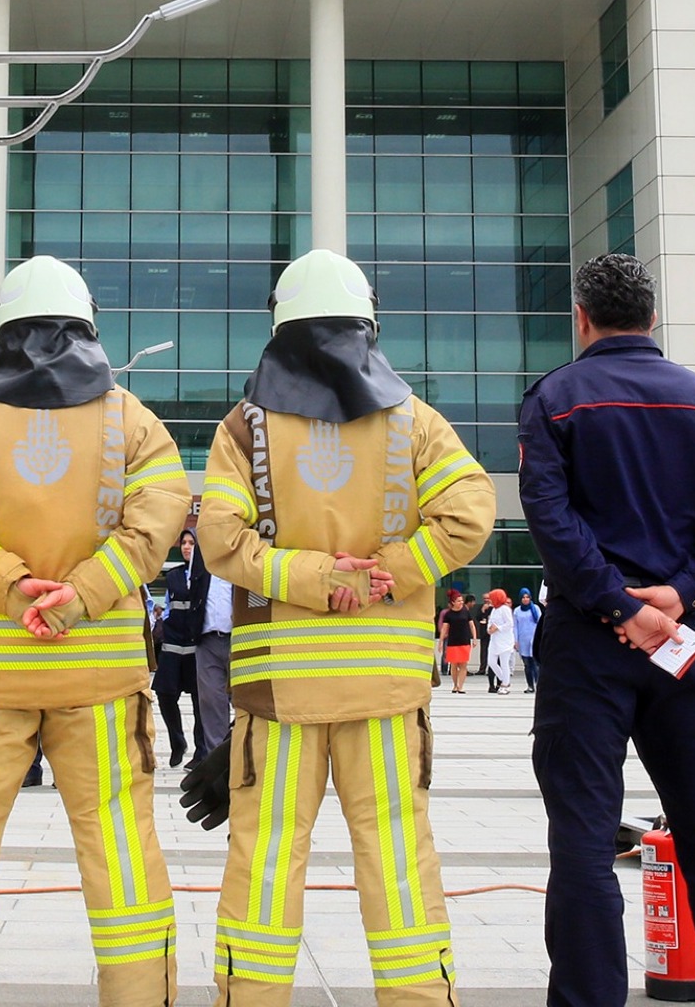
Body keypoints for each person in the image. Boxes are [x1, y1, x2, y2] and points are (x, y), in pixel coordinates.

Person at [197, 248, 495, 1007]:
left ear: (277, 328)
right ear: (370, 327)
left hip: (279, 695)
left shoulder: (245, 428)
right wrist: (394, 567)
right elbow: (470, 513)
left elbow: (221, 539)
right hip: (388, 695)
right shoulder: (415, 421)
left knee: (265, 866)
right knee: (398, 862)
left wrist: (306, 578)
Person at [0, 254, 188, 1007]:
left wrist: (9, 583)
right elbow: (157, 523)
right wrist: (82, 592)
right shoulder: (132, 420)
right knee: (121, 853)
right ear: (88, 326)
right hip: (103, 681)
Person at [518, 253, 695, 1007]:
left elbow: (552, 522)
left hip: (588, 642)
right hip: (682, 643)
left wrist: (618, 604)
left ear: (582, 318)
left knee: (584, 841)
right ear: (653, 318)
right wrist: (682, 592)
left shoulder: (556, 400)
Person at [153, 529, 202, 766]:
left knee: (199, 700)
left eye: (192, 543)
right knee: (164, 694)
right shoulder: (172, 576)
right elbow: (169, 606)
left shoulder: (207, 575)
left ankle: (201, 750)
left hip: (196, 646)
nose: (186, 547)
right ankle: (177, 742)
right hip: (173, 646)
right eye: (183, 543)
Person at [190, 512, 232, 758]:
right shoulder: (201, 552)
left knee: (248, 704)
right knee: (211, 704)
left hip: (239, 638)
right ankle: (215, 764)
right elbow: (195, 588)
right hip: (206, 640)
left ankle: (244, 760)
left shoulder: (242, 547)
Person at [437, 589, 476, 694]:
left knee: (463, 665)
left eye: (462, 601)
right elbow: (444, 629)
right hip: (453, 642)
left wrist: (475, 638)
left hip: (465, 641)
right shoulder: (448, 614)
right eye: (458, 601)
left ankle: (460, 686)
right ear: (453, 602)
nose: (461, 603)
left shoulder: (465, 612)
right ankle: (455, 685)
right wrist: (440, 642)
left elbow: (471, 625)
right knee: (453, 665)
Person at [486, 586, 517, 692]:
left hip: (505, 641)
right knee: (491, 662)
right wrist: (489, 629)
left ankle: (505, 684)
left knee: (504, 663)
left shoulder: (505, 609)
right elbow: (490, 622)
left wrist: (498, 628)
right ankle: (504, 679)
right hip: (494, 640)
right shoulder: (494, 610)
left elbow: (510, 623)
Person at [515, 588, 543, 692]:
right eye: (523, 597)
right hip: (523, 640)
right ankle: (530, 686)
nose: (525, 599)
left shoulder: (535, 608)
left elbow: (540, 623)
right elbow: (515, 626)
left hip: (534, 639)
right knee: (527, 664)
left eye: (527, 597)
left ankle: (539, 685)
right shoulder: (517, 611)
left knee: (536, 663)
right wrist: (515, 640)